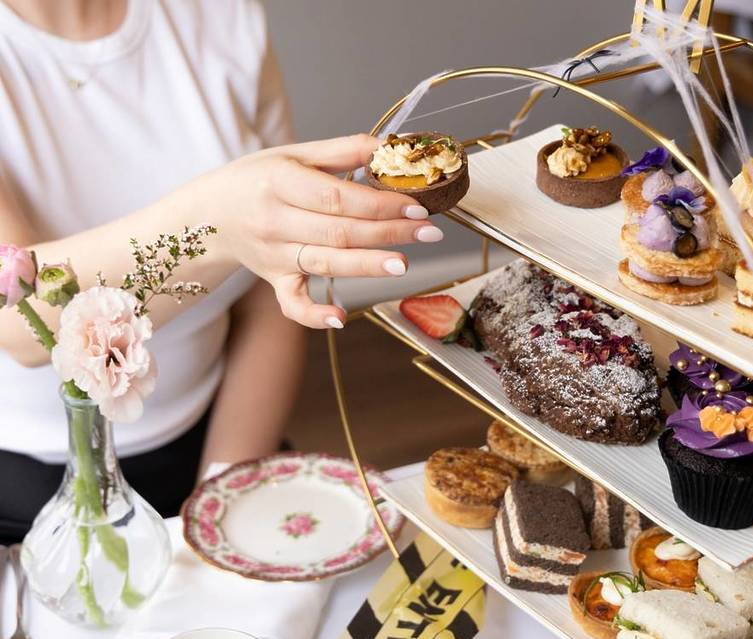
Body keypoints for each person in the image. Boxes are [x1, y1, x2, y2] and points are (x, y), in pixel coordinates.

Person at [0, 0, 445, 544]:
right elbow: (22, 323)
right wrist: (217, 222)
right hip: (25, 495)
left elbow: (268, 290)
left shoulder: (222, 15)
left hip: (222, 433)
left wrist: (220, 495)